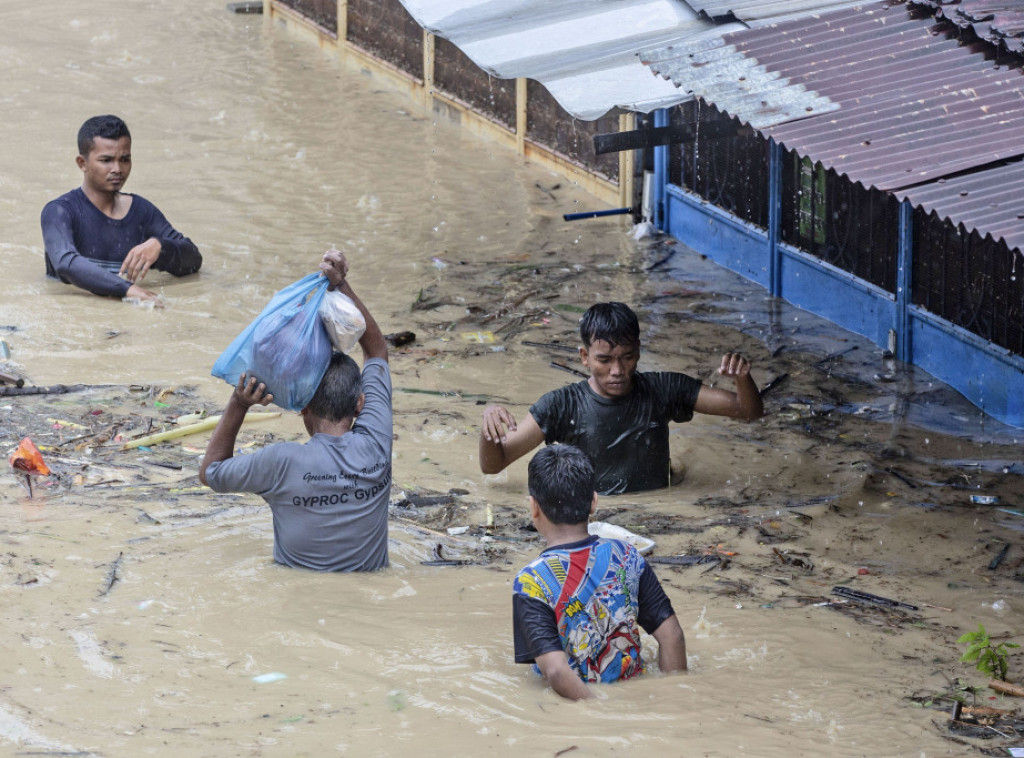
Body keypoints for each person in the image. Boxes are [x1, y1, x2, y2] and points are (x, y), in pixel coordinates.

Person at [199, 251, 392, 571]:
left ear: (302, 406)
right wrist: (341, 285)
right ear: (360, 404)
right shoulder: (376, 447)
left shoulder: (280, 462)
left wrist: (239, 403)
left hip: (297, 607)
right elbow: (376, 350)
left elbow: (210, 473)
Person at [480, 301, 763, 495]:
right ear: (584, 358)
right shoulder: (561, 404)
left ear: (638, 352)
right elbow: (494, 465)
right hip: (596, 512)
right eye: (604, 360)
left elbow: (747, 411)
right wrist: (489, 428)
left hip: (659, 505)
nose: (617, 371)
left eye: (627, 358)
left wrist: (742, 378)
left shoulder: (664, 389)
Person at [512, 445, 687, 700]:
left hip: (579, 712)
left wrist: (602, 712)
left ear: (533, 507)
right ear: (594, 501)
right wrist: (677, 697)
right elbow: (673, 637)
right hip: (634, 694)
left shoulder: (532, 582)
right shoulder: (628, 557)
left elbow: (556, 672)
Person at [40, 114, 202, 302]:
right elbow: (66, 264)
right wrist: (128, 290)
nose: (117, 168)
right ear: (82, 163)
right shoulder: (59, 211)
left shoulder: (142, 211)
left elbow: (194, 262)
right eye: (106, 160)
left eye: (125, 159)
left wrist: (161, 246)